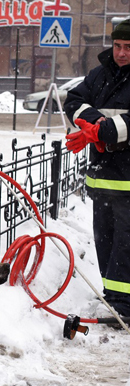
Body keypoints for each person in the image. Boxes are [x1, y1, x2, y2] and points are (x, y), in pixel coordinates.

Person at [63, 19, 130, 319]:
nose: (121, 53)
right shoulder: (99, 75)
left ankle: (124, 305)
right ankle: (112, 298)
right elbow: (73, 100)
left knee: (125, 244)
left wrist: (106, 131)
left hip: (128, 180)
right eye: (117, 46)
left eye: (128, 48)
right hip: (103, 179)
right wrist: (92, 121)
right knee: (105, 240)